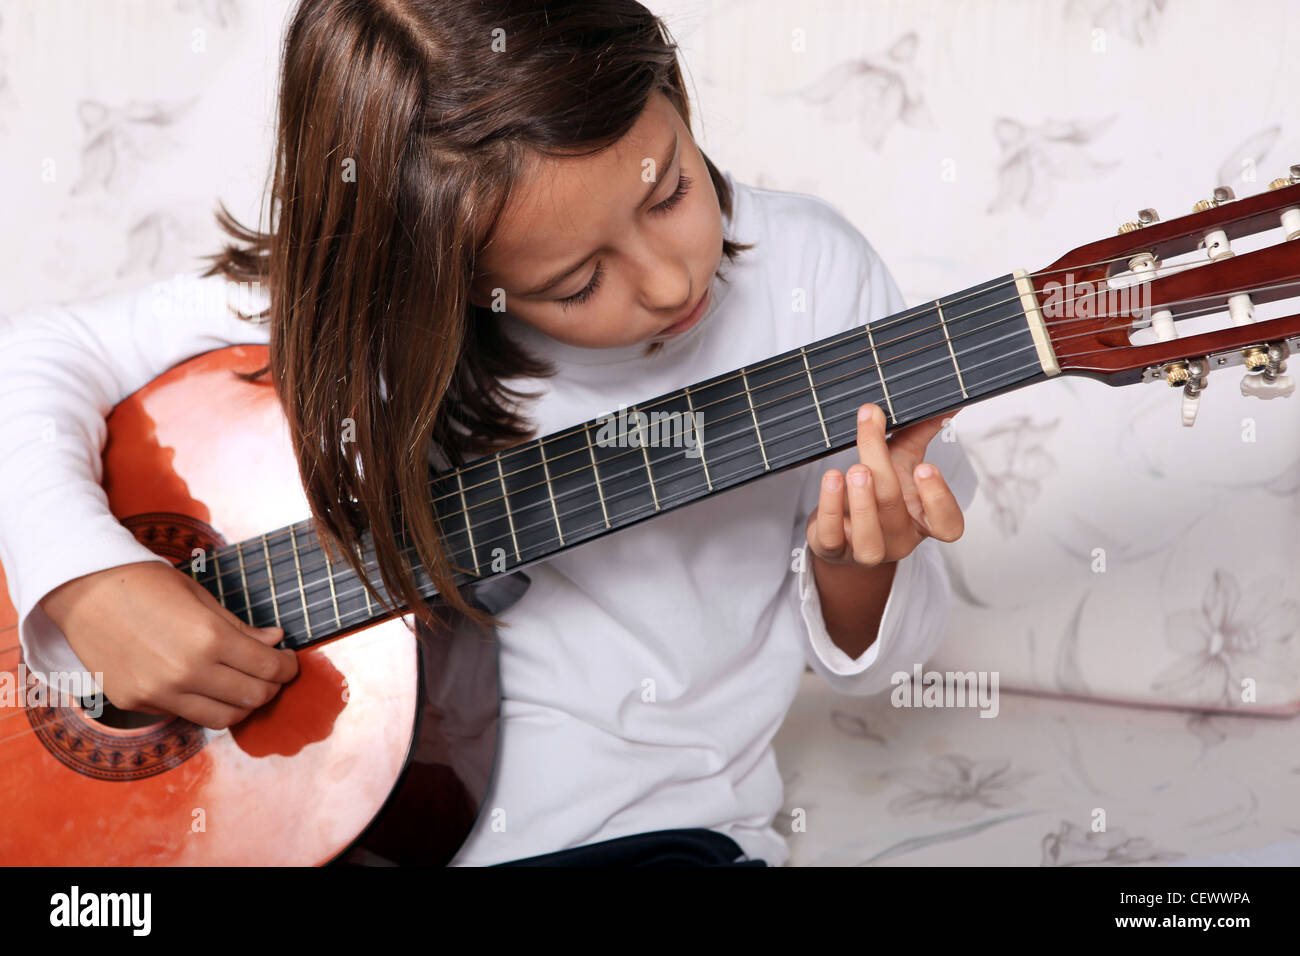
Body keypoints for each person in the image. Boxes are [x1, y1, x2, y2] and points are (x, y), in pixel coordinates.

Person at [0, 0, 977, 866]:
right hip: (326, 819)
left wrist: (861, 569)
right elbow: (31, 357)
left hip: (646, 829)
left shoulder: (811, 279)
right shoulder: (366, 309)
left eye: (671, 189)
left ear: (668, 89)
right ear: (446, 276)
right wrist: (86, 582)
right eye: (576, 282)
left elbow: (884, 662)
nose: (673, 279)